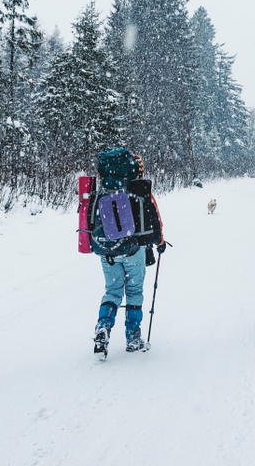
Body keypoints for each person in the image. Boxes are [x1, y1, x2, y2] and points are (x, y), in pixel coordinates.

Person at [86, 148, 164, 357]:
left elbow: (91, 220)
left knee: (112, 291)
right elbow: (154, 219)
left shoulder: (103, 190)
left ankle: (103, 327)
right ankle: (133, 337)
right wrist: (160, 242)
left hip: (107, 250)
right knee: (134, 291)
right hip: (133, 250)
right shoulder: (139, 190)